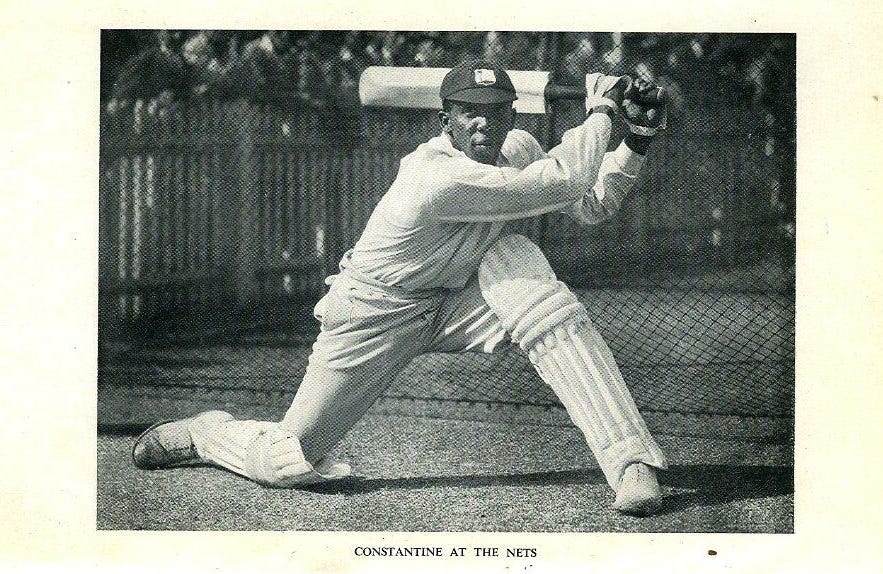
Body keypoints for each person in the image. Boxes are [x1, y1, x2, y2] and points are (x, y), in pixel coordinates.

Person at [132, 59, 669, 516]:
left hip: (454, 303)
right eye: (469, 112)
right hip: (373, 315)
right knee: (290, 458)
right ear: (446, 120)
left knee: (522, 265)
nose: (484, 124)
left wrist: (635, 143)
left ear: (512, 115)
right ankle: (208, 433)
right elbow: (565, 180)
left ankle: (630, 461)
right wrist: (601, 113)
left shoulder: (518, 148)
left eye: (496, 112)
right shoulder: (433, 177)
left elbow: (590, 204)